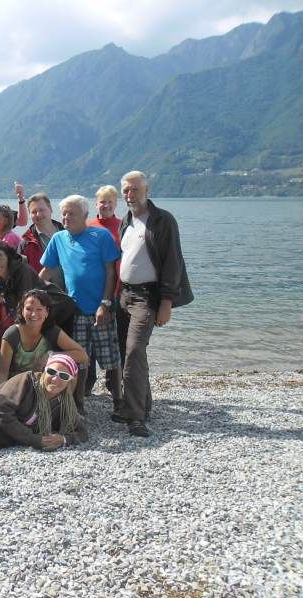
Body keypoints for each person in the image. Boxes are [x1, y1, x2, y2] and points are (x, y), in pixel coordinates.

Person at [116, 171, 193, 437]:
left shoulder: (163, 220)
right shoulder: (126, 220)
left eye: (135, 189)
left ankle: (135, 416)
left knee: (134, 351)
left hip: (147, 297)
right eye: (126, 190)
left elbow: (173, 261)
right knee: (129, 353)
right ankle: (143, 405)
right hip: (124, 295)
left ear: (146, 190)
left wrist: (167, 302)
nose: (130, 195)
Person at [39, 194, 121, 414]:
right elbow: (46, 271)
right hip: (74, 311)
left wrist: (105, 303)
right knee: (79, 359)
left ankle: (119, 402)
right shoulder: (58, 239)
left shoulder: (101, 235)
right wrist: (33, 296)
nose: (66, 217)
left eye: (71, 214)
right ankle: (78, 404)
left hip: (101, 309)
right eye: (64, 213)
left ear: (85, 215)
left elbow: (111, 271)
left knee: (110, 357)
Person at [0, 241, 76, 334]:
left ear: (8, 257)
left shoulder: (22, 270)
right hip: (39, 315)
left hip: (59, 308)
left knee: (60, 344)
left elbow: (24, 303)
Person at [0, 289, 89, 386]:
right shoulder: (12, 334)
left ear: (47, 312)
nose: (33, 314)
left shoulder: (52, 331)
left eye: (39, 309)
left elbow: (83, 356)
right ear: (22, 311)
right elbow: (2, 373)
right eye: (29, 309)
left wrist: (52, 357)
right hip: (17, 386)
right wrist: (2, 394)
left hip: (44, 384)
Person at [86, 185, 125, 398]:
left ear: (116, 204)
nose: (106, 205)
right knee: (91, 339)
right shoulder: (88, 226)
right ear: (96, 204)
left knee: (114, 340)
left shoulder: (122, 226)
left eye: (110, 201)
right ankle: (88, 381)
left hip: (117, 292)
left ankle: (114, 383)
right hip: (92, 292)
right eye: (102, 201)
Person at [17, 188, 63, 275]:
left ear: (50, 209)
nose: (38, 214)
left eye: (41, 210)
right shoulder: (26, 244)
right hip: (41, 284)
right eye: (34, 212)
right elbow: (20, 273)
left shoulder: (68, 234)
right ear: (30, 215)